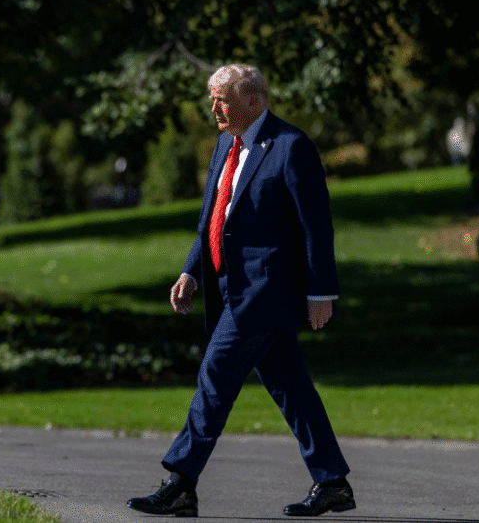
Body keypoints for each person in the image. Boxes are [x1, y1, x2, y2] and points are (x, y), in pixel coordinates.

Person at [126, 64, 354, 518]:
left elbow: (316, 227)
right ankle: (333, 482)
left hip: (266, 292)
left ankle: (181, 482)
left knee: (215, 376)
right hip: (230, 288)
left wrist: (320, 292)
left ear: (253, 101)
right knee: (292, 387)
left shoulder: (291, 148)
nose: (213, 108)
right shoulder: (224, 146)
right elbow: (212, 220)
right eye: (212, 99)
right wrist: (191, 272)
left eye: (221, 99)